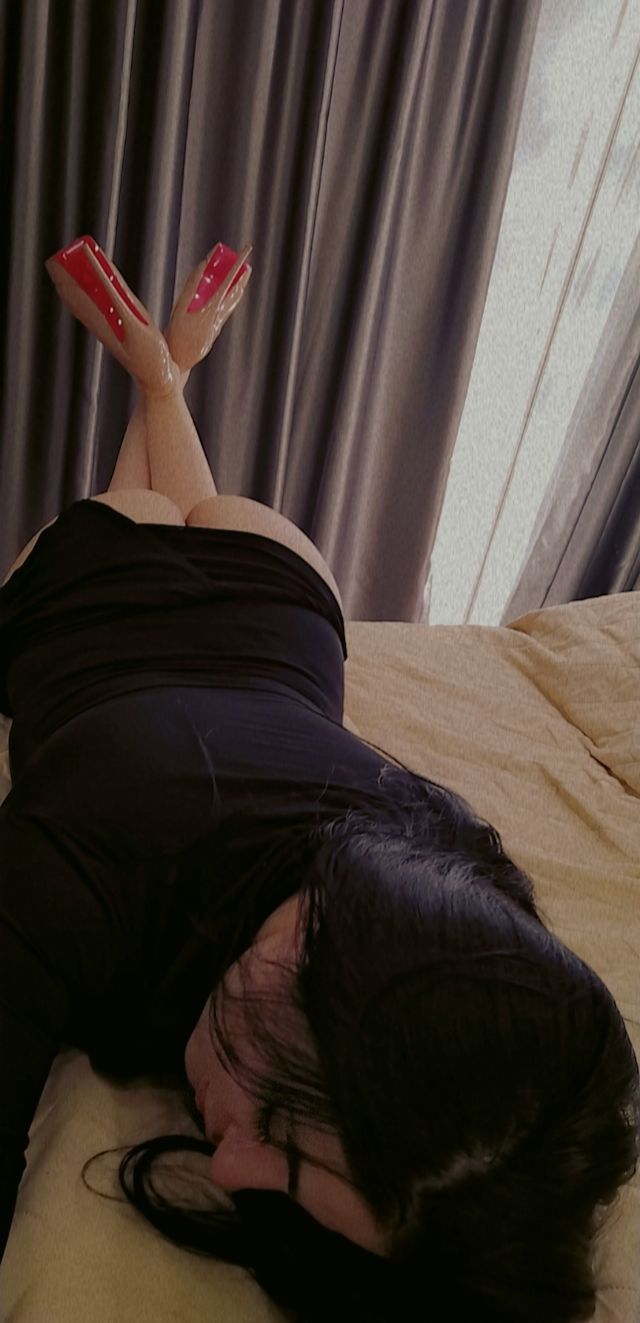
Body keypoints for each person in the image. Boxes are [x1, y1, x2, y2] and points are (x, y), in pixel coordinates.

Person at [0, 236, 638, 1323]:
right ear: (313, 963)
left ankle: (161, 369)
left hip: (280, 594)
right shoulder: (79, 861)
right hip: (98, 605)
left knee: (162, 510)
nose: (230, 1165)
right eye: (284, 1124)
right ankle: (159, 370)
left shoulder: (452, 903)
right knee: (132, 520)